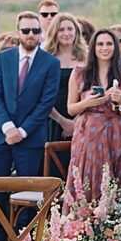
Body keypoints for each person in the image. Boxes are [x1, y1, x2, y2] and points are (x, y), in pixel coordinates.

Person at [0, 11, 59, 241]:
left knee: (27, 193)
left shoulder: (50, 63)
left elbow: (46, 102)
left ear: (41, 33)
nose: (30, 34)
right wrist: (8, 128)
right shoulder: (3, 58)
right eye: (25, 30)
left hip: (30, 137)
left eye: (35, 30)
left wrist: (22, 131)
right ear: (18, 33)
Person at [65, 29, 121, 202]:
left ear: (116, 47)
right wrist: (86, 103)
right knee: (85, 176)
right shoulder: (79, 73)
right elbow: (70, 109)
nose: (105, 48)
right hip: (87, 134)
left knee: (113, 179)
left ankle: (112, 224)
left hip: (114, 132)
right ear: (93, 47)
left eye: (109, 44)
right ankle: (80, 224)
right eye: (100, 44)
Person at [41, 13, 87, 144]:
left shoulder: (87, 58)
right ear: (54, 32)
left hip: (81, 118)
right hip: (52, 118)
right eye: (61, 29)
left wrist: (75, 121)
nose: (66, 33)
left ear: (76, 32)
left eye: (70, 29)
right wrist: (62, 121)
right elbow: (41, 94)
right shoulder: (45, 58)